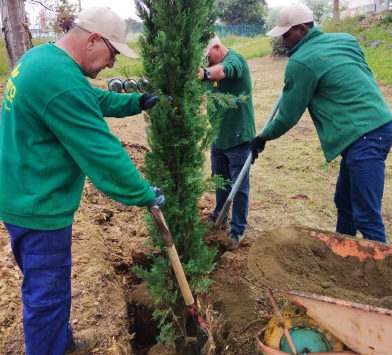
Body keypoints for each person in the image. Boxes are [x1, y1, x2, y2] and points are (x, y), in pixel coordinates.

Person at [0, 7, 165, 355]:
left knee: (50, 290)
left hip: (20, 189)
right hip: (39, 206)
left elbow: (90, 98)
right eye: (113, 54)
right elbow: (102, 153)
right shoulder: (60, 81)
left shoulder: (43, 59)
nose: (111, 65)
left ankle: (63, 342)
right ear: (93, 40)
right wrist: (143, 193)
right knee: (46, 297)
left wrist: (136, 102)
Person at [249, 3, 392, 243]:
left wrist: (262, 137)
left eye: (286, 34)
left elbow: (287, 117)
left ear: (303, 29)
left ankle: (379, 273)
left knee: (367, 216)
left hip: (366, 136)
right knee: (344, 202)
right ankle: (342, 253)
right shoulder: (346, 39)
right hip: (374, 129)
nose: (282, 40)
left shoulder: (300, 63)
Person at [199, 36, 256, 250]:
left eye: (208, 57)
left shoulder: (236, 60)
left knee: (239, 185)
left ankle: (238, 228)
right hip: (219, 137)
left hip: (239, 137)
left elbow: (222, 71)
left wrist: (204, 73)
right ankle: (219, 216)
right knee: (220, 180)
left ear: (216, 46)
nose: (207, 63)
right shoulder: (212, 68)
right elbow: (214, 79)